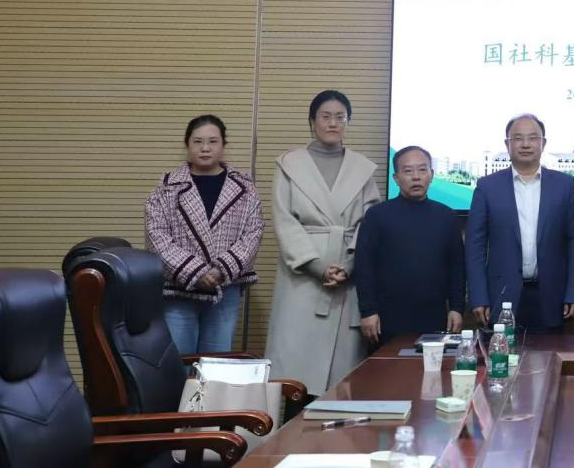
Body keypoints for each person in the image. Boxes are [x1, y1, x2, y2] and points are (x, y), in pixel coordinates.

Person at [265, 90, 381, 395]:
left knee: (341, 377)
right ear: (312, 121)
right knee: (295, 369)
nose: (333, 123)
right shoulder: (289, 164)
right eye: (326, 116)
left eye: (340, 117)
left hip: (346, 274)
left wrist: (350, 264)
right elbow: (284, 221)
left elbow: (370, 224)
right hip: (303, 275)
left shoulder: (362, 169)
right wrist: (317, 267)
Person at [145, 114, 263, 356]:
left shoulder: (245, 187)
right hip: (179, 290)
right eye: (198, 142)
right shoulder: (167, 188)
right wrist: (196, 272)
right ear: (187, 145)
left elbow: (253, 233)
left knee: (216, 364)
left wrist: (220, 271)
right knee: (180, 362)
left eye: (213, 141)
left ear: (223, 145)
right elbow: (156, 236)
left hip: (225, 288)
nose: (205, 148)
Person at [465, 113, 574, 334]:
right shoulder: (487, 187)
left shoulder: (565, 186)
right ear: (507, 144)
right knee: (503, 355)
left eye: (533, 137)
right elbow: (475, 246)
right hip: (501, 295)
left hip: (553, 295)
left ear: (543, 143)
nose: (526, 144)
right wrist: (479, 297)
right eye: (518, 138)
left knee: (550, 354)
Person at [355, 145, 465, 347]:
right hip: (386, 318)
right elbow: (364, 267)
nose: (416, 177)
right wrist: (368, 311)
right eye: (408, 171)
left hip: (435, 316)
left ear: (431, 175)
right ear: (396, 178)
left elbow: (457, 267)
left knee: (433, 367)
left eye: (422, 170)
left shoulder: (446, 216)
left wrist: (457, 308)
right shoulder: (377, 215)